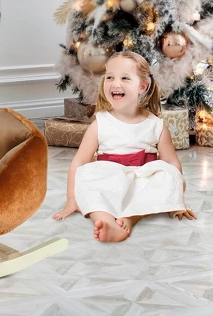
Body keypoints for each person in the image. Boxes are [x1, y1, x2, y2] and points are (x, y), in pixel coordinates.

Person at [52, 51, 196, 242]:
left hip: (140, 181)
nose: (115, 83)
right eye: (110, 77)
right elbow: (79, 162)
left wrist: (177, 199)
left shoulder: (156, 125)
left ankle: (130, 218)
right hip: (109, 180)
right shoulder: (100, 123)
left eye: (125, 78)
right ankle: (104, 220)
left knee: (170, 176)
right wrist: (72, 200)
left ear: (142, 87)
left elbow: (172, 163)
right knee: (87, 177)